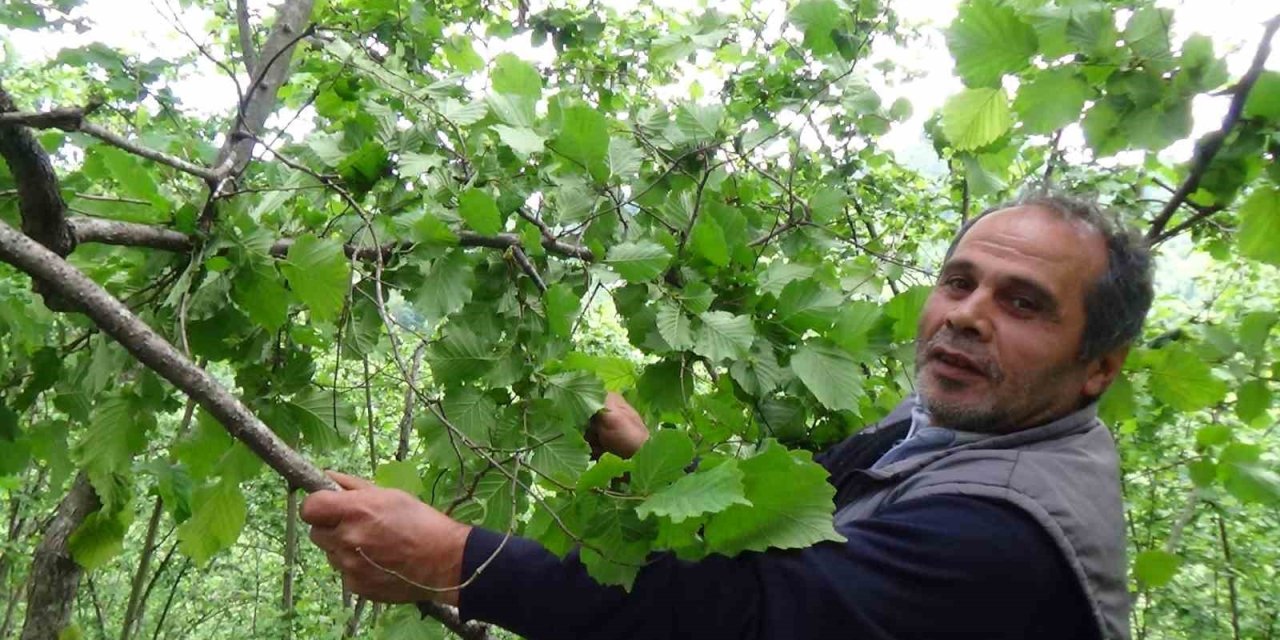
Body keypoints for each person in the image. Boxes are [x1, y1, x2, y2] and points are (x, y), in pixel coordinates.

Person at [301, 193, 1152, 640]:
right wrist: (655, 465)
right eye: (959, 282)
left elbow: (752, 618)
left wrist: (459, 560)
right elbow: (816, 521)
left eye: (1025, 304)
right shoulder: (957, 414)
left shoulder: (1009, 535)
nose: (968, 315)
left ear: (1098, 368)